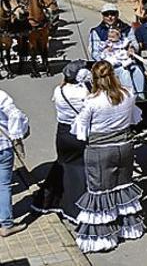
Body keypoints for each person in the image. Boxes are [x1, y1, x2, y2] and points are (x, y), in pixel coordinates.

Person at [71, 61, 144, 253]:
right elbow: (136, 118)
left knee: (100, 191)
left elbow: (80, 131)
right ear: (114, 75)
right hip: (125, 146)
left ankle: (102, 238)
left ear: (94, 79)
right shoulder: (128, 94)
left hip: (100, 151)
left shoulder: (92, 101)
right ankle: (128, 227)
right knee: (122, 185)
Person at [32, 61, 90, 223]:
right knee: (79, 169)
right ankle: (75, 207)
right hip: (79, 133)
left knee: (63, 163)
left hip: (63, 133)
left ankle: (48, 201)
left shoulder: (59, 90)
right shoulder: (84, 93)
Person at [90, 4, 146, 100]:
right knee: (124, 73)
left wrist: (132, 49)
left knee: (137, 71)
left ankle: (141, 98)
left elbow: (134, 43)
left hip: (126, 60)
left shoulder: (126, 29)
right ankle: (130, 98)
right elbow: (94, 53)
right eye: (106, 14)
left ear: (117, 14)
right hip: (110, 65)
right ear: (103, 16)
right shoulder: (97, 31)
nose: (110, 17)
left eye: (112, 14)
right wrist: (106, 54)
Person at [0, 90, 29, 237]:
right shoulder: (0, 96)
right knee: (3, 186)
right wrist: (15, 134)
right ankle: (6, 225)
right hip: (3, 147)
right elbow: (15, 115)